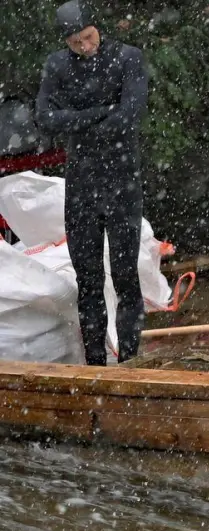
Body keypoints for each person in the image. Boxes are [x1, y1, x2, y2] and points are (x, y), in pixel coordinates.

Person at [35, 1, 148, 366]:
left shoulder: (128, 57)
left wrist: (78, 121)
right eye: (76, 43)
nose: (85, 47)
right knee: (88, 279)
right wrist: (99, 113)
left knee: (126, 273)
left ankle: (130, 359)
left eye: (88, 37)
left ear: (98, 28)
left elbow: (130, 115)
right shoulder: (57, 66)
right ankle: (95, 362)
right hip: (82, 183)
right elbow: (45, 119)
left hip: (122, 179)